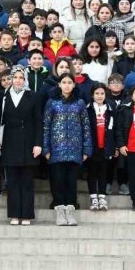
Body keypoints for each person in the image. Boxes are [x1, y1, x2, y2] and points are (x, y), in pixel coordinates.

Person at [43, 73, 91, 226]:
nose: (67, 85)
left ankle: (70, 211)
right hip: (56, 149)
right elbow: (46, 126)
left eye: (70, 82)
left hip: (75, 149)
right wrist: (46, 148)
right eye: (64, 82)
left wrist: (86, 149)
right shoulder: (52, 102)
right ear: (59, 85)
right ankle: (60, 211)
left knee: (71, 181)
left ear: (74, 85)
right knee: (57, 181)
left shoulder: (80, 103)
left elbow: (86, 127)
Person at [0, 66, 42, 225]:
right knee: (13, 181)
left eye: (21, 78)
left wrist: (38, 143)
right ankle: (15, 214)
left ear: (25, 80)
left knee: (27, 181)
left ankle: (27, 215)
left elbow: (38, 122)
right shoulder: (3, 96)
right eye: (15, 77)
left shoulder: (33, 96)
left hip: (28, 142)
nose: (17, 80)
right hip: (9, 142)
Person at [86, 84, 115, 211]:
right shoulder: (87, 109)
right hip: (92, 147)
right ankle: (93, 197)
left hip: (106, 147)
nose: (99, 96)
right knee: (92, 172)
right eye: (97, 93)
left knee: (103, 172)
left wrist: (115, 147)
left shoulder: (110, 109)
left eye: (102, 93)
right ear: (92, 95)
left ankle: (102, 196)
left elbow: (114, 130)